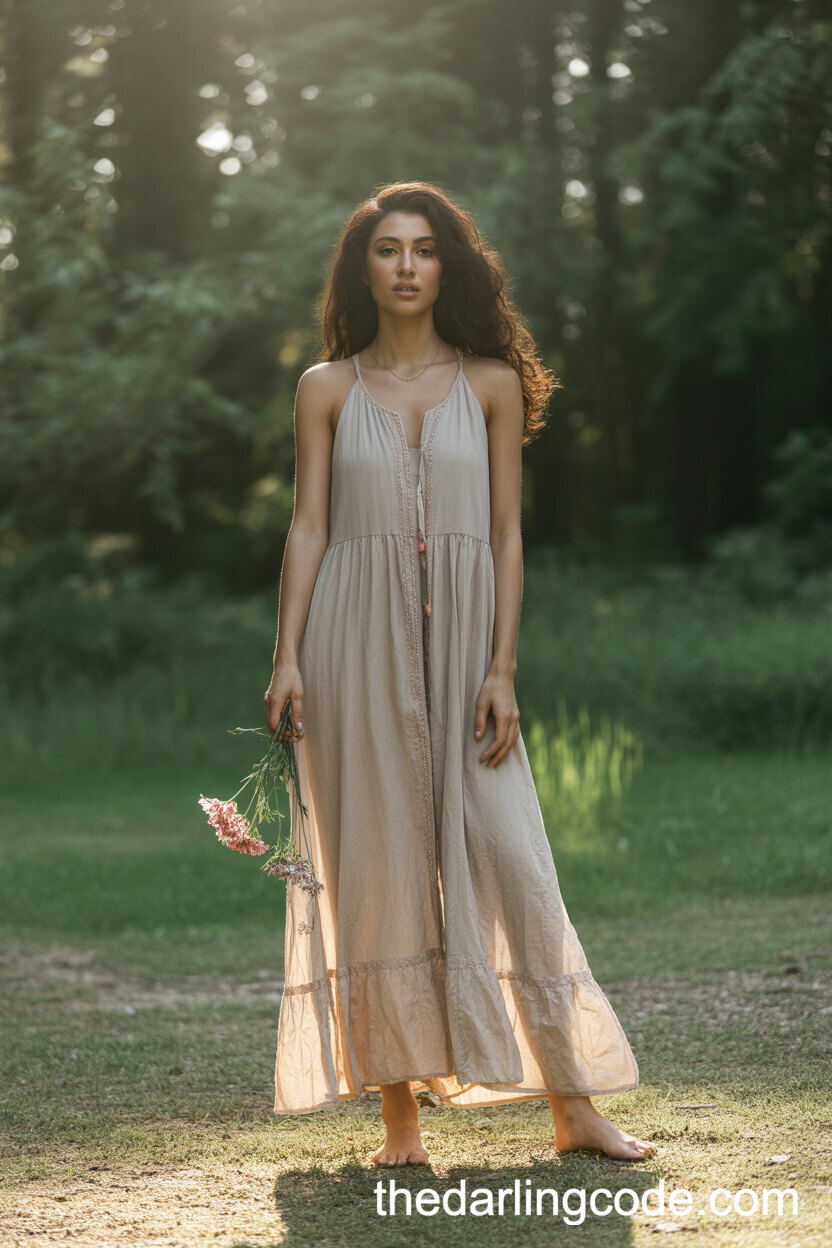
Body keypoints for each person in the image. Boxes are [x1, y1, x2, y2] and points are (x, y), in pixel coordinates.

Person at [264, 181, 655, 1166]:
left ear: (448, 266)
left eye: (424, 249)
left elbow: (509, 535)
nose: (405, 266)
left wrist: (503, 669)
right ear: (364, 268)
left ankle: (574, 1108)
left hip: (469, 653)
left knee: (513, 861)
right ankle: (400, 1126)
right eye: (387, 250)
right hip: (350, 648)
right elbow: (308, 527)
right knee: (376, 867)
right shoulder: (324, 386)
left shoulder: (487, 382)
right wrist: (286, 658)